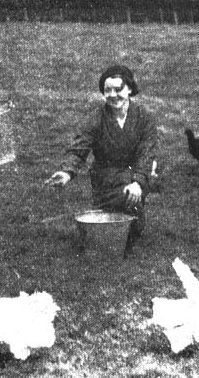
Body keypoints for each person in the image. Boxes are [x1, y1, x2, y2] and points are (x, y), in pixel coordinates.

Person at [46, 65, 158, 255]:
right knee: (114, 230)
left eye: (118, 89)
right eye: (108, 90)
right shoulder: (96, 117)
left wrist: (138, 183)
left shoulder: (144, 117)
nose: (113, 95)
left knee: (135, 229)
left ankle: (130, 213)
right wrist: (67, 172)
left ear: (129, 89)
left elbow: (146, 154)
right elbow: (79, 148)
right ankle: (113, 213)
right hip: (106, 178)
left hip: (134, 176)